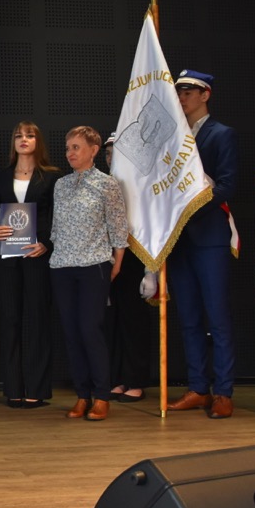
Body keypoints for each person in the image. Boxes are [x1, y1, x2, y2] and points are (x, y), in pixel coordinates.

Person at [165, 70, 239, 419]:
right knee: (189, 317)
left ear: (205, 94)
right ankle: (198, 387)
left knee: (217, 317)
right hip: (179, 239)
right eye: (179, 92)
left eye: (188, 92)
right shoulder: (172, 139)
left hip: (209, 236)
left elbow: (227, 184)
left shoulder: (222, 134)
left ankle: (223, 391)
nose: (182, 97)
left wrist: (191, 208)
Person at [49, 126, 128, 422]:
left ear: (93, 150)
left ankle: (102, 396)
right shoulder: (61, 185)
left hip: (94, 265)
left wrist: (115, 264)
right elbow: (56, 228)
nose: (69, 153)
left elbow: (118, 228)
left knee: (90, 330)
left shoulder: (107, 185)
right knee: (71, 333)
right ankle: (82, 395)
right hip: (62, 267)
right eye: (68, 147)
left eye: (76, 147)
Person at [0, 121, 60, 408]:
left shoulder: (52, 177)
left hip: (37, 258)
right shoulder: (0, 178)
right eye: (18, 135)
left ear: (37, 141)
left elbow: (60, 219)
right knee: (10, 321)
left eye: (29, 135)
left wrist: (47, 244)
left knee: (38, 321)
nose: (23, 139)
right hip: (7, 261)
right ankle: (13, 389)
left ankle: (37, 389)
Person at [101, 134, 156, 404]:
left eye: (116, 153)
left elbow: (154, 229)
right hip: (106, 256)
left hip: (136, 256)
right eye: (108, 154)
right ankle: (117, 377)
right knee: (112, 322)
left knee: (133, 321)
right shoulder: (102, 183)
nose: (111, 158)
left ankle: (135, 380)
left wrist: (151, 271)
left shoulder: (143, 186)